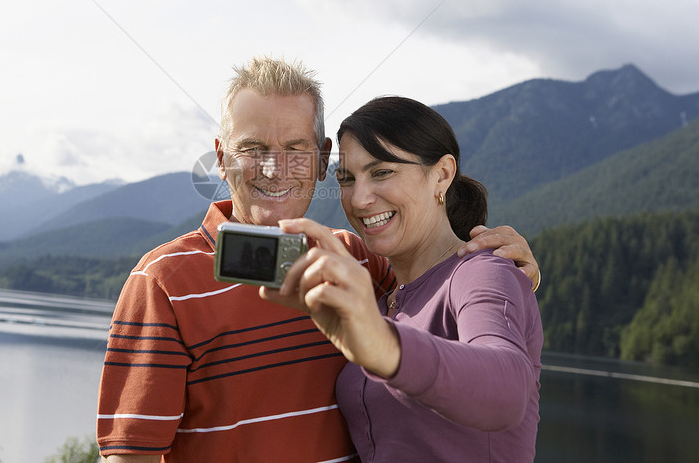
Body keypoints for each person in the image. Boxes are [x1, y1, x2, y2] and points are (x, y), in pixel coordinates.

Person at [96, 57, 540, 462]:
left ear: (322, 158)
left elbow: (458, 308)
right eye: (253, 149)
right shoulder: (164, 282)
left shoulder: (359, 262)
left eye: (295, 148)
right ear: (221, 158)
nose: (275, 169)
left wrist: (503, 270)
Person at [267, 96, 543, 462]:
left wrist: (383, 345)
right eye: (347, 179)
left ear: (442, 175)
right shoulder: (384, 294)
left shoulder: (482, 271)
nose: (360, 199)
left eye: (382, 172)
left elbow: (507, 392)